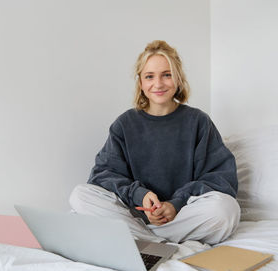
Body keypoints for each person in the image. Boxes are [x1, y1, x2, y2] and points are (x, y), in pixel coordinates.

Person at [69, 40, 239, 245]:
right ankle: (151, 240)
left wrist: (176, 204)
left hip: (182, 217)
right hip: (136, 218)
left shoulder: (198, 121)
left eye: (166, 75)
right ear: (140, 82)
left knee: (227, 210)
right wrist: (139, 195)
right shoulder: (125, 124)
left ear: (178, 79)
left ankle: (142, 241)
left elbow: (221, 178)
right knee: (80, 196)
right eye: (150, 76)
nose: (158, 84)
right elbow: (102, 175)